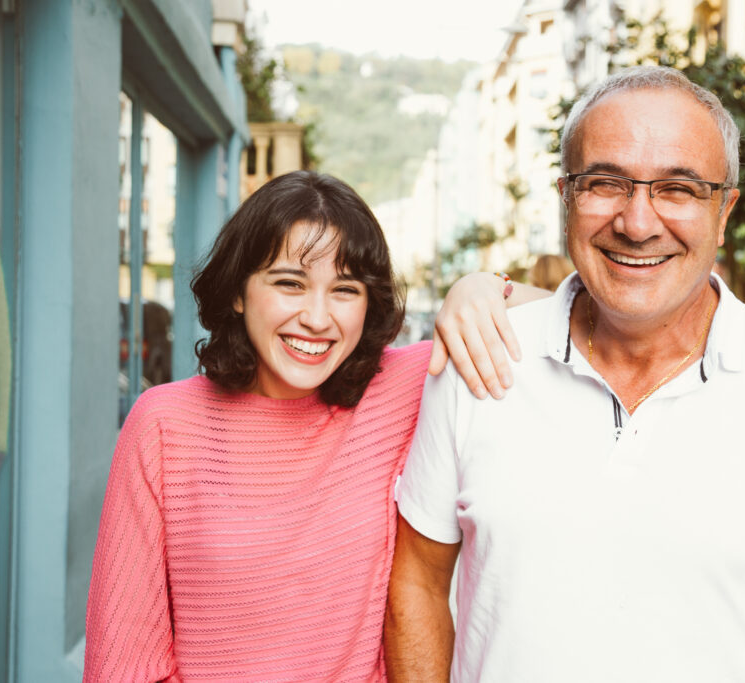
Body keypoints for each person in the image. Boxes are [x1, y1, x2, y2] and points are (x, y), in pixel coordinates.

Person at [385, 66, 745, 682]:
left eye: (678, 189)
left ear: (724, 211)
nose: (637, 223)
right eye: (605, 183)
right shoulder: (481, 358)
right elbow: (418, 586)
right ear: (566, 198)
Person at [83, 170, 539, 682]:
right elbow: (122, 666)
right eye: (289, 284)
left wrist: (480, 287)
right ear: (237, 291)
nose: (318, 319)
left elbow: (575, 318)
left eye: (345, 290)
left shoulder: (406, 386)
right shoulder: (164, 425)